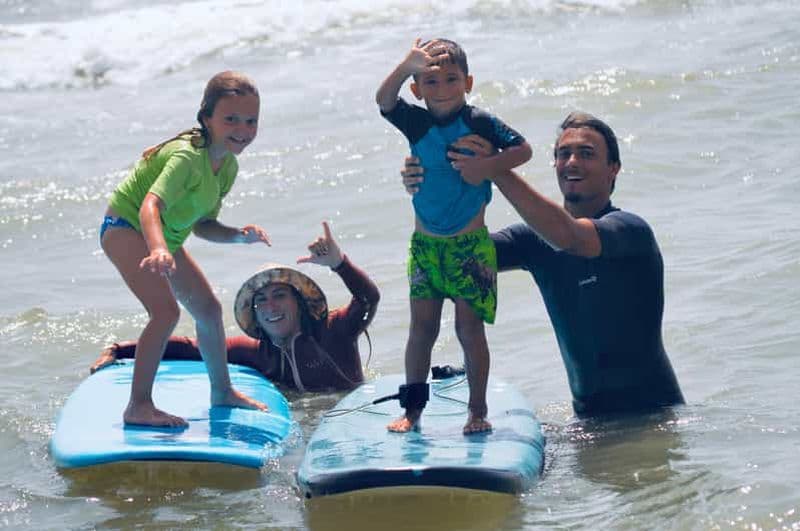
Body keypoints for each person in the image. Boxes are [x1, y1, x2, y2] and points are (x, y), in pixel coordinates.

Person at [402, 111, 684, 418]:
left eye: (586, 154)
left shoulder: (630, 231)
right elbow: (453, 259)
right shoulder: (533, 242)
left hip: (654, 418)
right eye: (564, 154)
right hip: (589, 422)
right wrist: (431, 177)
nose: (572, 162)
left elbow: (569, 236)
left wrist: (495, 168)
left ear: (613, 169)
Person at [376, 38, 533, 434]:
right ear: (416, 89)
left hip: (470, 248)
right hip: (425, 248)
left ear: (468, 82)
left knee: (469, 330)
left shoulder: (479, 120)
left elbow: (524, 149)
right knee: (421, 331)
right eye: (430, 81)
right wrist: (404, 65)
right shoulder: (416, 121)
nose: (442, 89)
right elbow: (383, 100)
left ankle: (477, 410)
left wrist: (489, 167)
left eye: (451, 79)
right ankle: (412, 411)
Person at [100, 71, 270, 428]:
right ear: (206, 118)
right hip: (126, 228)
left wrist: (240, 235)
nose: (243, 128)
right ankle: (138, 406)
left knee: (208, 310)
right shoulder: (186, 158)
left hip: (164, 240)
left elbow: (203, 225)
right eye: (231, 119)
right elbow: (150, 206)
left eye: (251, 120)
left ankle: (222, 391)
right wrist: (159, 248)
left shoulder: (227, 167)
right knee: (165, 313)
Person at [92, 222, 379, 393]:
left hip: (348, 412)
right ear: (254, 314)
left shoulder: (335, 329)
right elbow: (193, 348)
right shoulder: (258, 353)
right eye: (261, 301)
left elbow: (368, 299)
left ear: (299, 303)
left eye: (280, 295)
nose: (270, 306)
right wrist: (119, 350)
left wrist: (339, 263)